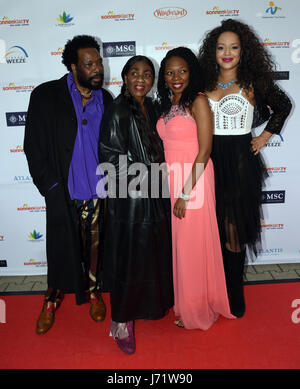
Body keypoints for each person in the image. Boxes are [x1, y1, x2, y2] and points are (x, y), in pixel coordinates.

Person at [198, 19, 292, 317]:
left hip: (239, 161)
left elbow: (284, 105)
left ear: (244, 51)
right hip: (207, 159)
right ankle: (210, 292)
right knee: (208, 230)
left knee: (233, 231)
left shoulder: (254, 82)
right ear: (212, 51)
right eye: (221, 47)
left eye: (234, 47)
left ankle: (233, 293)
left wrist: (264, 136)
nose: (227, 52)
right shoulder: (202, 82)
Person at [24, 35, 113, 335]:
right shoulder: (46, 95)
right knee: (60, 250)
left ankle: (94, 293)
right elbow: (33, 147)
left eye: (99, 62)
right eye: (89, 64)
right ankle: (51, 299)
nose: (97, 68)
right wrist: (49, 187)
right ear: (73, 66)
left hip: (99, 192)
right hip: (64, 191)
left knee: (96, 250)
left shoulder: (107, 99)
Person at [98, 56, 173, 354]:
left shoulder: (153, 107)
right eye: (134, 74)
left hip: (154, 196)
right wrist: (147, 178)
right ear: (125, 77)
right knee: (128, 263)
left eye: (147, 74)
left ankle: (148, 307)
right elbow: (109, 160)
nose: (141, 79)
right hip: (129, 203)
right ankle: (121, 323)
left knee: (150, 258)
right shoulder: (117, 110)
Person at [156, 47, 234, 330]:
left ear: (192, 72)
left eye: (182, 71)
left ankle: (197, 309)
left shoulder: (198, 102)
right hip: (173, 179)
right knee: (182, 247)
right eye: (169, 72)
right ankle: (186, 303)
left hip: (194, 180)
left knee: (192, 247)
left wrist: (185, 193)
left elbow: (205, 151)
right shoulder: (167, 103)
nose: (175, 77)